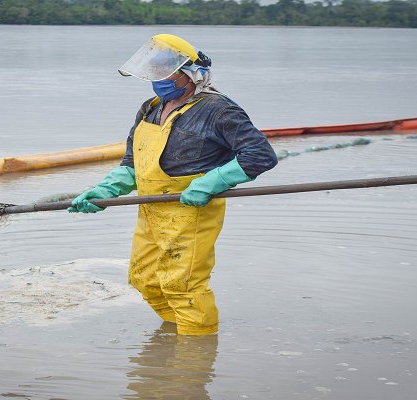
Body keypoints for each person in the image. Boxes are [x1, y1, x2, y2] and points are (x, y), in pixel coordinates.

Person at [68, 34, 278, 335]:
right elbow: (133, 162)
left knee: (183, 286)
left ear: (191, 75)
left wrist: (212, 182)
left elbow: (260, 155)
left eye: (167, 73)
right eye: (154, 73)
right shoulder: (150, 107)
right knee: (144, 280)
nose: (159, 80)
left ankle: (194, 357)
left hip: (191, 209)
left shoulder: (218, 110)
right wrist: (105, 190)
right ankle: (175, 342)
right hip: (150, 209)